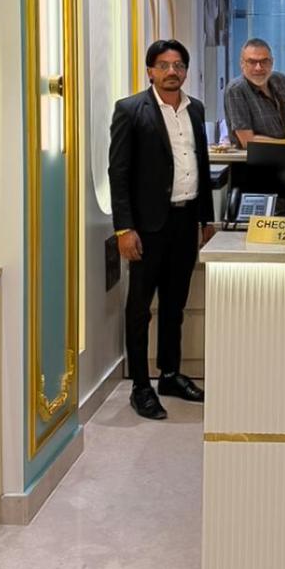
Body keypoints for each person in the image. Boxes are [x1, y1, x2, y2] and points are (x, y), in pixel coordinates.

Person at [108, 39, 214, 420]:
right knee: (140, 308)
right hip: (148, 226)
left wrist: (206, 218)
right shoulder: (130, 110)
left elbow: (201, 162)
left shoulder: (195, 108)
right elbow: (118, 173)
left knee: (175, 304)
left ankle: (170, 374)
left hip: (186, 221)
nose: (172, 71)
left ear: (185, 70)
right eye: (164, 65)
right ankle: (141, 385)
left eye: (179, 65)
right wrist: (124, 228)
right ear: (150, 71)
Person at [223, 38, 285, 147]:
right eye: (252, 62)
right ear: (242, 64)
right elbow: (247, 141)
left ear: (272, 62)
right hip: (257, 156)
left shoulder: (277, 79)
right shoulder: (236, 90)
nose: (258, 68)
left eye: (264, 61)